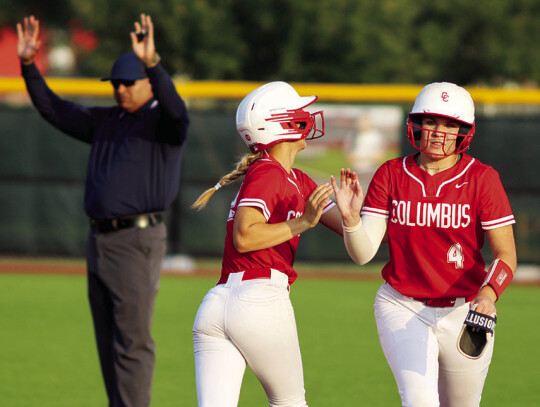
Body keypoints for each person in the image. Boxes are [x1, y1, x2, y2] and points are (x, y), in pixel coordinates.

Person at [17, 14, 189, 407]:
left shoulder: (163, 123)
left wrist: (153, 64)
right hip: (100, 240)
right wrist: (28, 67)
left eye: (128, 82)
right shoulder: (107, 120)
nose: (120, 89)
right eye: (115, 83)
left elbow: (178, 111)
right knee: (107, 340)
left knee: (132, 341)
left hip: (137, 239)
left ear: (147, 83)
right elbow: (55, 111)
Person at [331, 82, 517, 407]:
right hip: (402, 306)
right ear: (416, 124)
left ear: (464, 130)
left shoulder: (482, 178)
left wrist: (488, 295)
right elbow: (363, 254)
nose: (438, 131)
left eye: (449, 123)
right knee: (419, 401)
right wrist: (350, 219)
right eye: (430, 121)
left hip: (464, 309)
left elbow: (506, 255)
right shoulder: (391, 173)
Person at [191, 81, 343, 407]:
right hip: (259, 299)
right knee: (290, 403)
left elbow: (351, 230)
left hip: (218, 303)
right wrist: (303, 222)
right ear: (282, 122)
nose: (306, 115)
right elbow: (245, 237)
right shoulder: (269, 172)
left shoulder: (294, 178)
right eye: (298, 111)